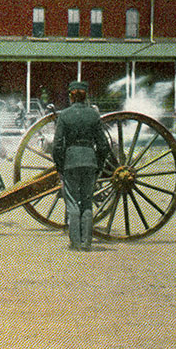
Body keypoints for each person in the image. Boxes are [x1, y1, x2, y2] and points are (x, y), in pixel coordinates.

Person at [52, 81, 113, 251]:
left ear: (71, 96)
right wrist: (98, 165)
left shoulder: (64, 115)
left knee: (72, 203)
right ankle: (87, 242)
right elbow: (103, 145)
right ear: (85, 96)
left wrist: (60, 167)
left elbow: (57, 145)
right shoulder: (94, 115)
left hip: (71, 162)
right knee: (87, 202)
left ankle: (75, 243)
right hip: (90, 161)